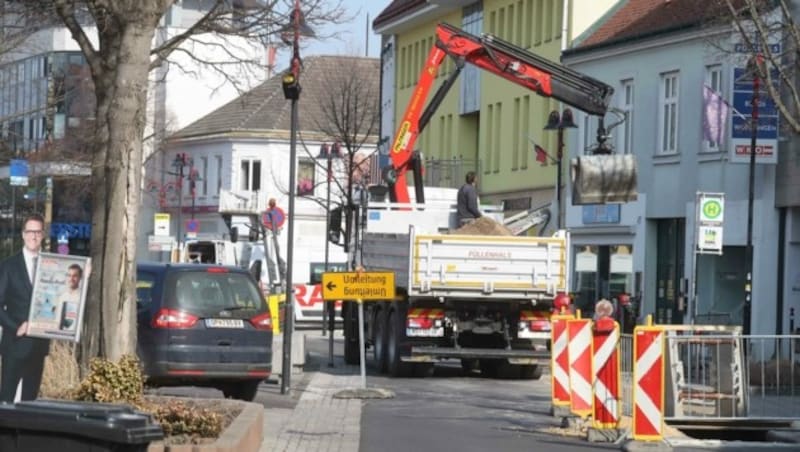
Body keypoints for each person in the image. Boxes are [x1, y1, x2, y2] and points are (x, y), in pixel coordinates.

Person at [0, 213, 50, 402]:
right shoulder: (8, 266)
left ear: (42, 235)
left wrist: (83, 277)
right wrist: (16, 327)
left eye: (37, 232)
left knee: (30, 404)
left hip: (38, 344)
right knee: (6, 399)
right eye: (30, 232)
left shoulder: (50, 265)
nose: (34, 236)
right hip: (15, 344)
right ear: (23, 234)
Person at [55, 264, 82, 331]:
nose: (71, 279)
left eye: (75, 276)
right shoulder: (62, 297)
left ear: (80, 277)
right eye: (69, 275)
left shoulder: (82, 297)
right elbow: (57, 321)